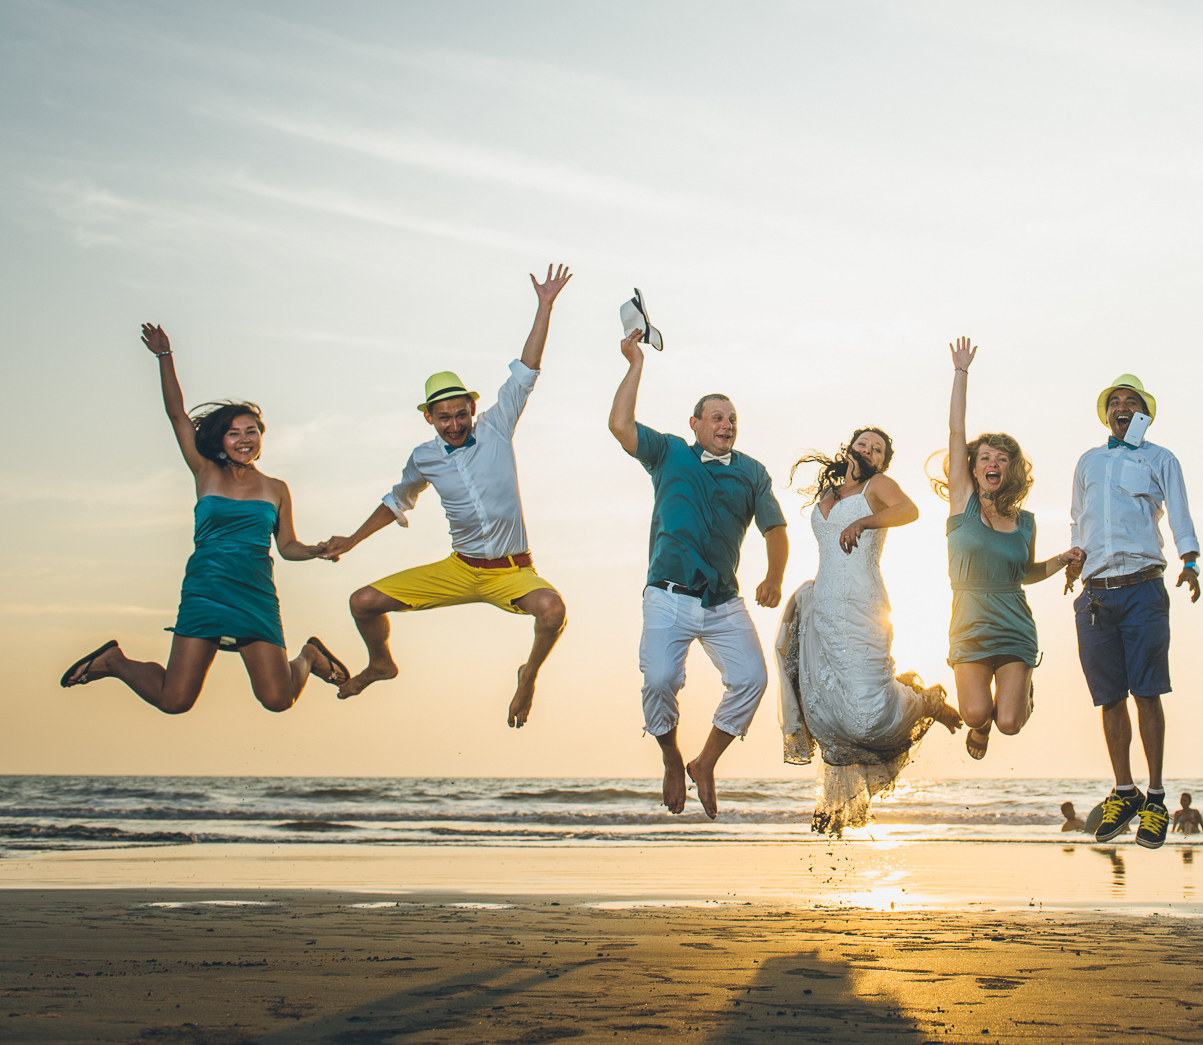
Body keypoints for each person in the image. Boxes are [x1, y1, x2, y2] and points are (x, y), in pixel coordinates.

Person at [319, 266, 572, 728]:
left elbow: (527, 369)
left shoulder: (496, 427)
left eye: (460, 414)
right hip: (458, 570)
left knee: (553, 611)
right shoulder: (424, 458)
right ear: (430, 419)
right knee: (362, 602)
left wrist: (545, 304)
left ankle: (528, 675)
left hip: (511, 573)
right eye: (444, 418)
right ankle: (381, 664)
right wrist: (352, 541)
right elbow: (397, 500)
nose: (454, 424)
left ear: (473, 409)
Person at [59, 324, 348, 712]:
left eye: (251, 431)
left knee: (278, 699)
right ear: (219, 439)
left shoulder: (276, 488)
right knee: (174, 700)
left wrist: (314, 550)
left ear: (261, 436)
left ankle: (310, 656)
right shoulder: (205, 472)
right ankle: (114, 661)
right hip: (207, 588)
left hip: (255, 594)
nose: (244, 439)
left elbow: (287, 546)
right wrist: (165, 357)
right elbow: (177, 415)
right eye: (234, 433)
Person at [610, 329, 788, 818]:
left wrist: (774, 576)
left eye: (732, 418)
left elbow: (775, 529)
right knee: (661, 678)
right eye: (717, 417)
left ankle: (705, 762)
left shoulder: (753, 472)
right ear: (695, 424)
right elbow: (620, 425)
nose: (727, 425)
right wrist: (635, 364)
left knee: (752, 678)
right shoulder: (669, 452)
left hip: (723, 600)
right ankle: (670, 756)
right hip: (668, 595)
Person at [775, 427, 961, 835]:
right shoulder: (829, 494)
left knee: (867, 718)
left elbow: (909, 510)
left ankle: (924, 701)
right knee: (827, 711)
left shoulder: (878, 486)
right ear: (850, 448)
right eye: (863, 444)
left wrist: (865, 520)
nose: (868, 451)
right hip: (824, 607)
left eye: (877, 449)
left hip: (863, 607)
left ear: (882, 461)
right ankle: (834, 805)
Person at [1063, 374, 1200, 850]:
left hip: (1143, 587)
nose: (1122, 407)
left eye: (1132, 402)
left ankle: (1156, 799)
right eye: (1115, 402)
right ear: (1107, 414)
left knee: (1147, 692)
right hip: (1096, 594)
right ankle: (1125, 791)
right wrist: (1073, 560)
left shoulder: (1160, 458)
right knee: (1108, 698)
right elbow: (1079, 518)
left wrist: (1191, 560)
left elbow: (1179, 511)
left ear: (1144, 413)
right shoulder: (1088, 461)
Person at [936, 337, 1080, 761]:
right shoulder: (961, 502)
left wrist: (1062, 559)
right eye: (984, 458)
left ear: (1010, 468)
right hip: (969, 625)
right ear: (972, 466)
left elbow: (1024, 573)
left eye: (1001, 458)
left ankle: (1023, 691)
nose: (992, 463)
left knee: (1010, 724)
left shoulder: (1025, 521)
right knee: (976, 712)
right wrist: (961, 372)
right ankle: (980, 726)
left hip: (1014, 625)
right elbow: (956, 431)